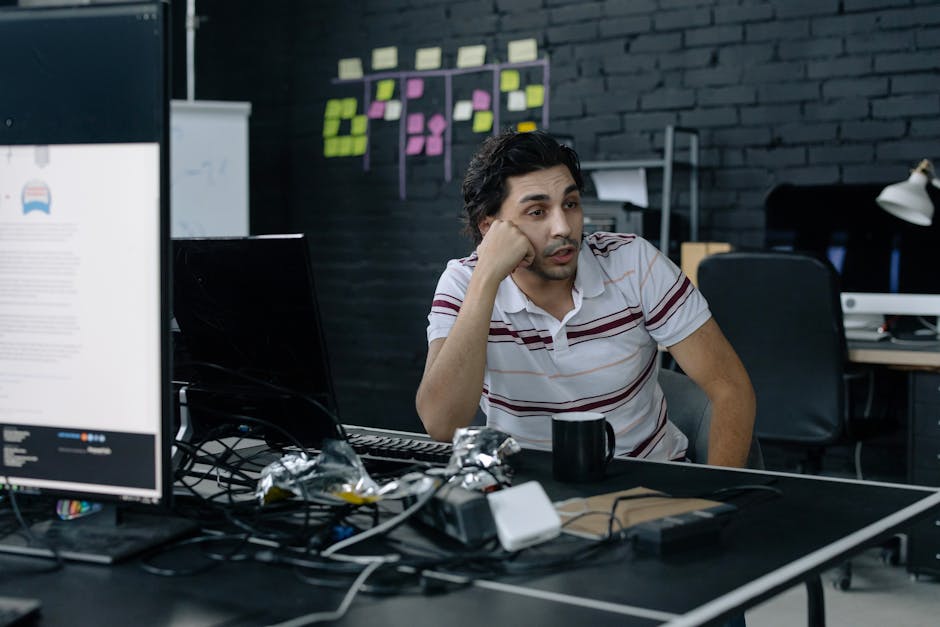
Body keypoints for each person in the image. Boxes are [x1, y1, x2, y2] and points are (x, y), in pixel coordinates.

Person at [415, 129, 755, 467]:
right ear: (491, 228)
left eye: (571, 204)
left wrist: (713, 502)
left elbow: (730, 389)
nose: (563, 227)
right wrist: (486, 278)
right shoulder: (464, 282)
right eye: (537, 211)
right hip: (530, 496)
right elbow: (442, 424)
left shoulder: (633, 263)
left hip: (648, 487)